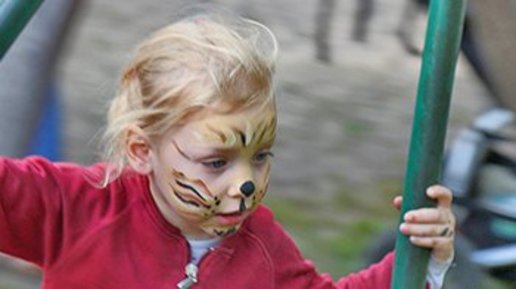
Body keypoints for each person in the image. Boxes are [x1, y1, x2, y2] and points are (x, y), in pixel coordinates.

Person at [0, 10, 455, 289]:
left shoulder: (263, 249)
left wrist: (421, 258)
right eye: (216, 162)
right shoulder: (78, 208)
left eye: (260, 156)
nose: (244, 183)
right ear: (141, 151)